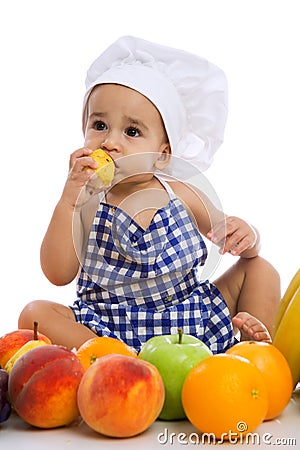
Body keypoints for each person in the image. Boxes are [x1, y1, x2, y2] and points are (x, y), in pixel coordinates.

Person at [19, 36, 280, 354]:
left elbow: (236, 243)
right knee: (34, 313)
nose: (110, 142)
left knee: (260, 269)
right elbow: (58, 274)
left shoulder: (181, 194)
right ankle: (123, 362)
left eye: (131, 131)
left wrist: (248, 236)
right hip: (110, 328)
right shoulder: (87, 202)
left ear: (163, 155)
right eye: (99, 125)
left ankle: (252, 353)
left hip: (191, 320)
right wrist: (69, 200)